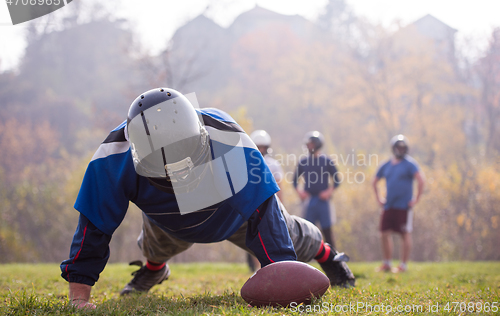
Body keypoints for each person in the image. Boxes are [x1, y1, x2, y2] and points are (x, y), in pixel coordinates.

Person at [60, 88, 355, 309]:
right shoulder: (112, 157)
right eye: (161, 165)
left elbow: (264, 210)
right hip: (166, 221)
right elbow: (94, 225)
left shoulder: (228, 139)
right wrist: (79, 295)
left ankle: (328, 255)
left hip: (233, 214)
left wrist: (282, 273)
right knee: (154, 248)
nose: (174, 172)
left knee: (293, 233)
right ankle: (154, 270)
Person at [372, 134, 425, 273]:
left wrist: (416, 199)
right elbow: (374, 181)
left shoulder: (410, 164)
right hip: (388, 205)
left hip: (404, 206)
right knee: (384, 233)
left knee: (404, 234)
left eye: (403, 148)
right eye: (398, 147)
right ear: (394, 148)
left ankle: (403, 265)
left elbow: (421, 180)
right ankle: (387, 263)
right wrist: (379, 198)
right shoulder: (386, 165)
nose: (400, 150)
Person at [293, 131, 340, 249]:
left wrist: (328, 192)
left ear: (318, 144)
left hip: (323, 202)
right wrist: (300, 192)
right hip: (309, 201)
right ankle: (305, 259)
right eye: (308, 144)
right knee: (307, 232)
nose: (309, 146)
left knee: (327, 230)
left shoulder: (327, 161)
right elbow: (294, 181)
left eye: (312, 144)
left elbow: (337, 180)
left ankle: (333, 258)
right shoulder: (303, 162)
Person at [245, 129, 284, 272]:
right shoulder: (248, 163)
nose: (261, 150)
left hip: (269, 204)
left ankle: (270, 266)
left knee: (269, 236)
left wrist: (281, 205)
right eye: (258, 146)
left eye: (263, 147)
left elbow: (279, 186)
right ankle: (255, 268)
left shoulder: (273, 164)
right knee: (253, 236)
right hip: (253, 203)